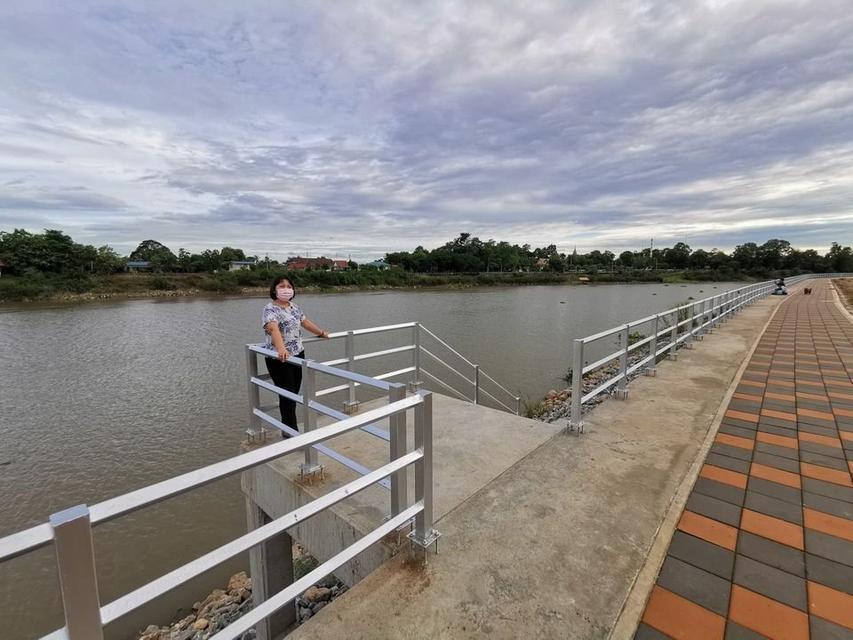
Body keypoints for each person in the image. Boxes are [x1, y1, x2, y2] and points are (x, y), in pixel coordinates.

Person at [262, 276, 329, 437]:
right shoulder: (270, 309)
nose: (286, 289)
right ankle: (290, 431)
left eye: (288, 286)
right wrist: (281, 349)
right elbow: (273, 329)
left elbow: (305, 323)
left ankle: (290, 428)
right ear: (274, 289)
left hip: (298, 354)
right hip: (280, 358)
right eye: (281, 286)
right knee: (287, 394)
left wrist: (321, 333)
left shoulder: (294, 307)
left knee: (294, 392)